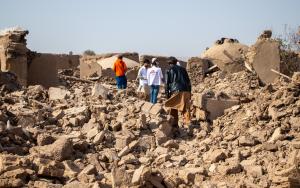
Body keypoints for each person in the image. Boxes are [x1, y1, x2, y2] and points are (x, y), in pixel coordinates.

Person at [165, 56, 192, 127]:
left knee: (173, 107)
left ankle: (174, 124)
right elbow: (188, 82)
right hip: (186, 90)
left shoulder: (169, 70)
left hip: (175, 91)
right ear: (176, 62)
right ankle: (188, 124)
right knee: (186, 108)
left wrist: (167, 94)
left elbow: (167, 83)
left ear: (169, 63)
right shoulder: (183, 69)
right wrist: (189, 92)